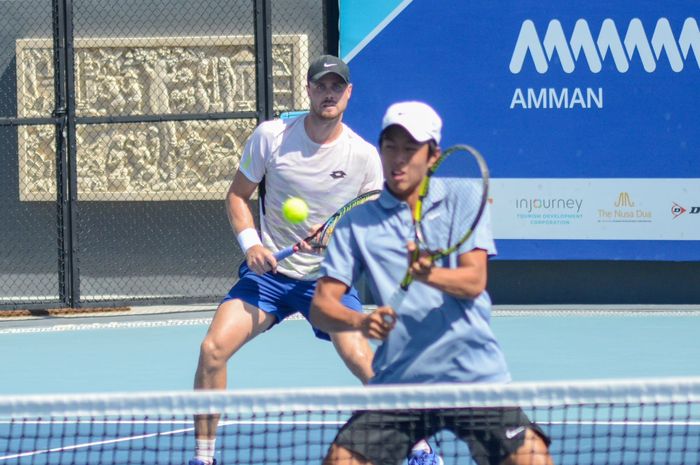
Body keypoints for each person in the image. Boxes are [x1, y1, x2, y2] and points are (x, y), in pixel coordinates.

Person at [189, 56, 441, 465]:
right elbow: (237, 196)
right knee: (213, 348)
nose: (329, 93)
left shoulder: (362, 156)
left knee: (363, 360)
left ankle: (419, 447)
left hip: (328, 281)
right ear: (307, 90)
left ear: (348, 94)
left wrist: (340, 240)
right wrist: (252, 245)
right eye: (321, 86)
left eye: (336, 87)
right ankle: (203, 459)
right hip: (269, 277)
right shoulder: (271, 137)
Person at [310, 101, 555, 465]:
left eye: (410, 149)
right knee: (341, 461)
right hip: (401, 379)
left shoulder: (464, 197)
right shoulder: (357, 223)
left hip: (471, 373)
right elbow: (320, 308)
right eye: (390, 146)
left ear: (433, 155)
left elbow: (474, 281)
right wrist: (359, 321)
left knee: (533, 459)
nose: (398, 159)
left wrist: (430, 275)